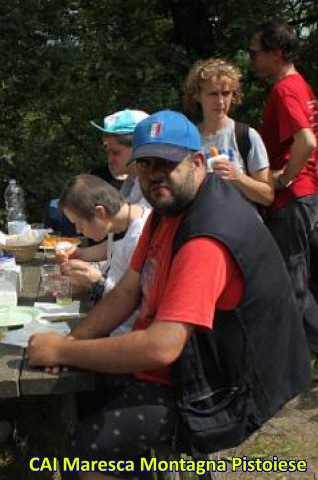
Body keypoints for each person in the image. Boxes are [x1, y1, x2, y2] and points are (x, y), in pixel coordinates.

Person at [28, 110, 309, 480]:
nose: (154, 174)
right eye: (145, 164)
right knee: (88, 393)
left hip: (225, 386)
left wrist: (62, 351)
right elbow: (128, 291)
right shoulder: (167, 208)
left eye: (166, 162)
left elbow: (162, 346)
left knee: (83, 453)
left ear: (197, 162)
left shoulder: (206, 237)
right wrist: (71, 340)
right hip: (189, 362)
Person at [250, 19, 318, 356]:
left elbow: (306, 140)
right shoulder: (299, 84)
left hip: (293, 198)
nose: (252, 60)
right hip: (307, 196)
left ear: (276, 54)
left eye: (255, 53)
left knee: (291, 281)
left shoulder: (284, 89)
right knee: (302, 279)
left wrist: (285, 178)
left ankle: (293, 362)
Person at [56, 175, 150, 334]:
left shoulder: (140, 237)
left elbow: (138, 303)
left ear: (100, 212)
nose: (78, 230)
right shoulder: (118, 224)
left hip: (126, 336)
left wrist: (97, 282)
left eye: (79, 223)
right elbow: (112, 249)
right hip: (111, 324)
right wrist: (80, 254)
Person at [183, 58, 273, 206]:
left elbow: (267, 196)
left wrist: (237, 177)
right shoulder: (188, 140)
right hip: (201, 223)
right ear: (197, 95)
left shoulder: (246, 136)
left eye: (226, 93)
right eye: (213, 94)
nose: (220, 102)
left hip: (240, 224)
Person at [90, 109, 150, 206]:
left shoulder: (154, 193)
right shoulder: (130, 185)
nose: (110, 160)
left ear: (138, 147)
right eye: (108, 152)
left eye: (115, 153)